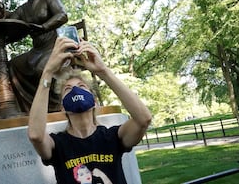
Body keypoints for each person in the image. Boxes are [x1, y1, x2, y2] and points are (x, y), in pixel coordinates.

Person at [27, 37, 152, 183]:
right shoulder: (58, 144)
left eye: (81, 87)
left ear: (95, 101)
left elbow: (144, 119)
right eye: (68, 89)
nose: (75, 90)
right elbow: (35, 135)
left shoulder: (112, 137)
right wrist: (48, 71)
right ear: (63, 107)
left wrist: (103, 71)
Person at [9, 0, 68, 113]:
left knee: (43, 69)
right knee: (12, 65)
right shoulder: (23, 8)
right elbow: (11, 22)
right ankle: (29, 107)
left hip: (54, 48)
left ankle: (55, 107)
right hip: (37, 51)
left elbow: (62, 15)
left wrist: (44, 27)